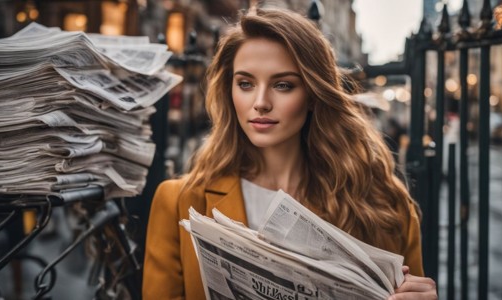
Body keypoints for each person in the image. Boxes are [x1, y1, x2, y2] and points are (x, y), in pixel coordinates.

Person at [143, 6, 437, 300]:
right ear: (229, 91)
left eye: (283, 85)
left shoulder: (383, 207)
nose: (260, 102)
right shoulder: (178, 201)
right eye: (245, 84)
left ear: (312, 95)